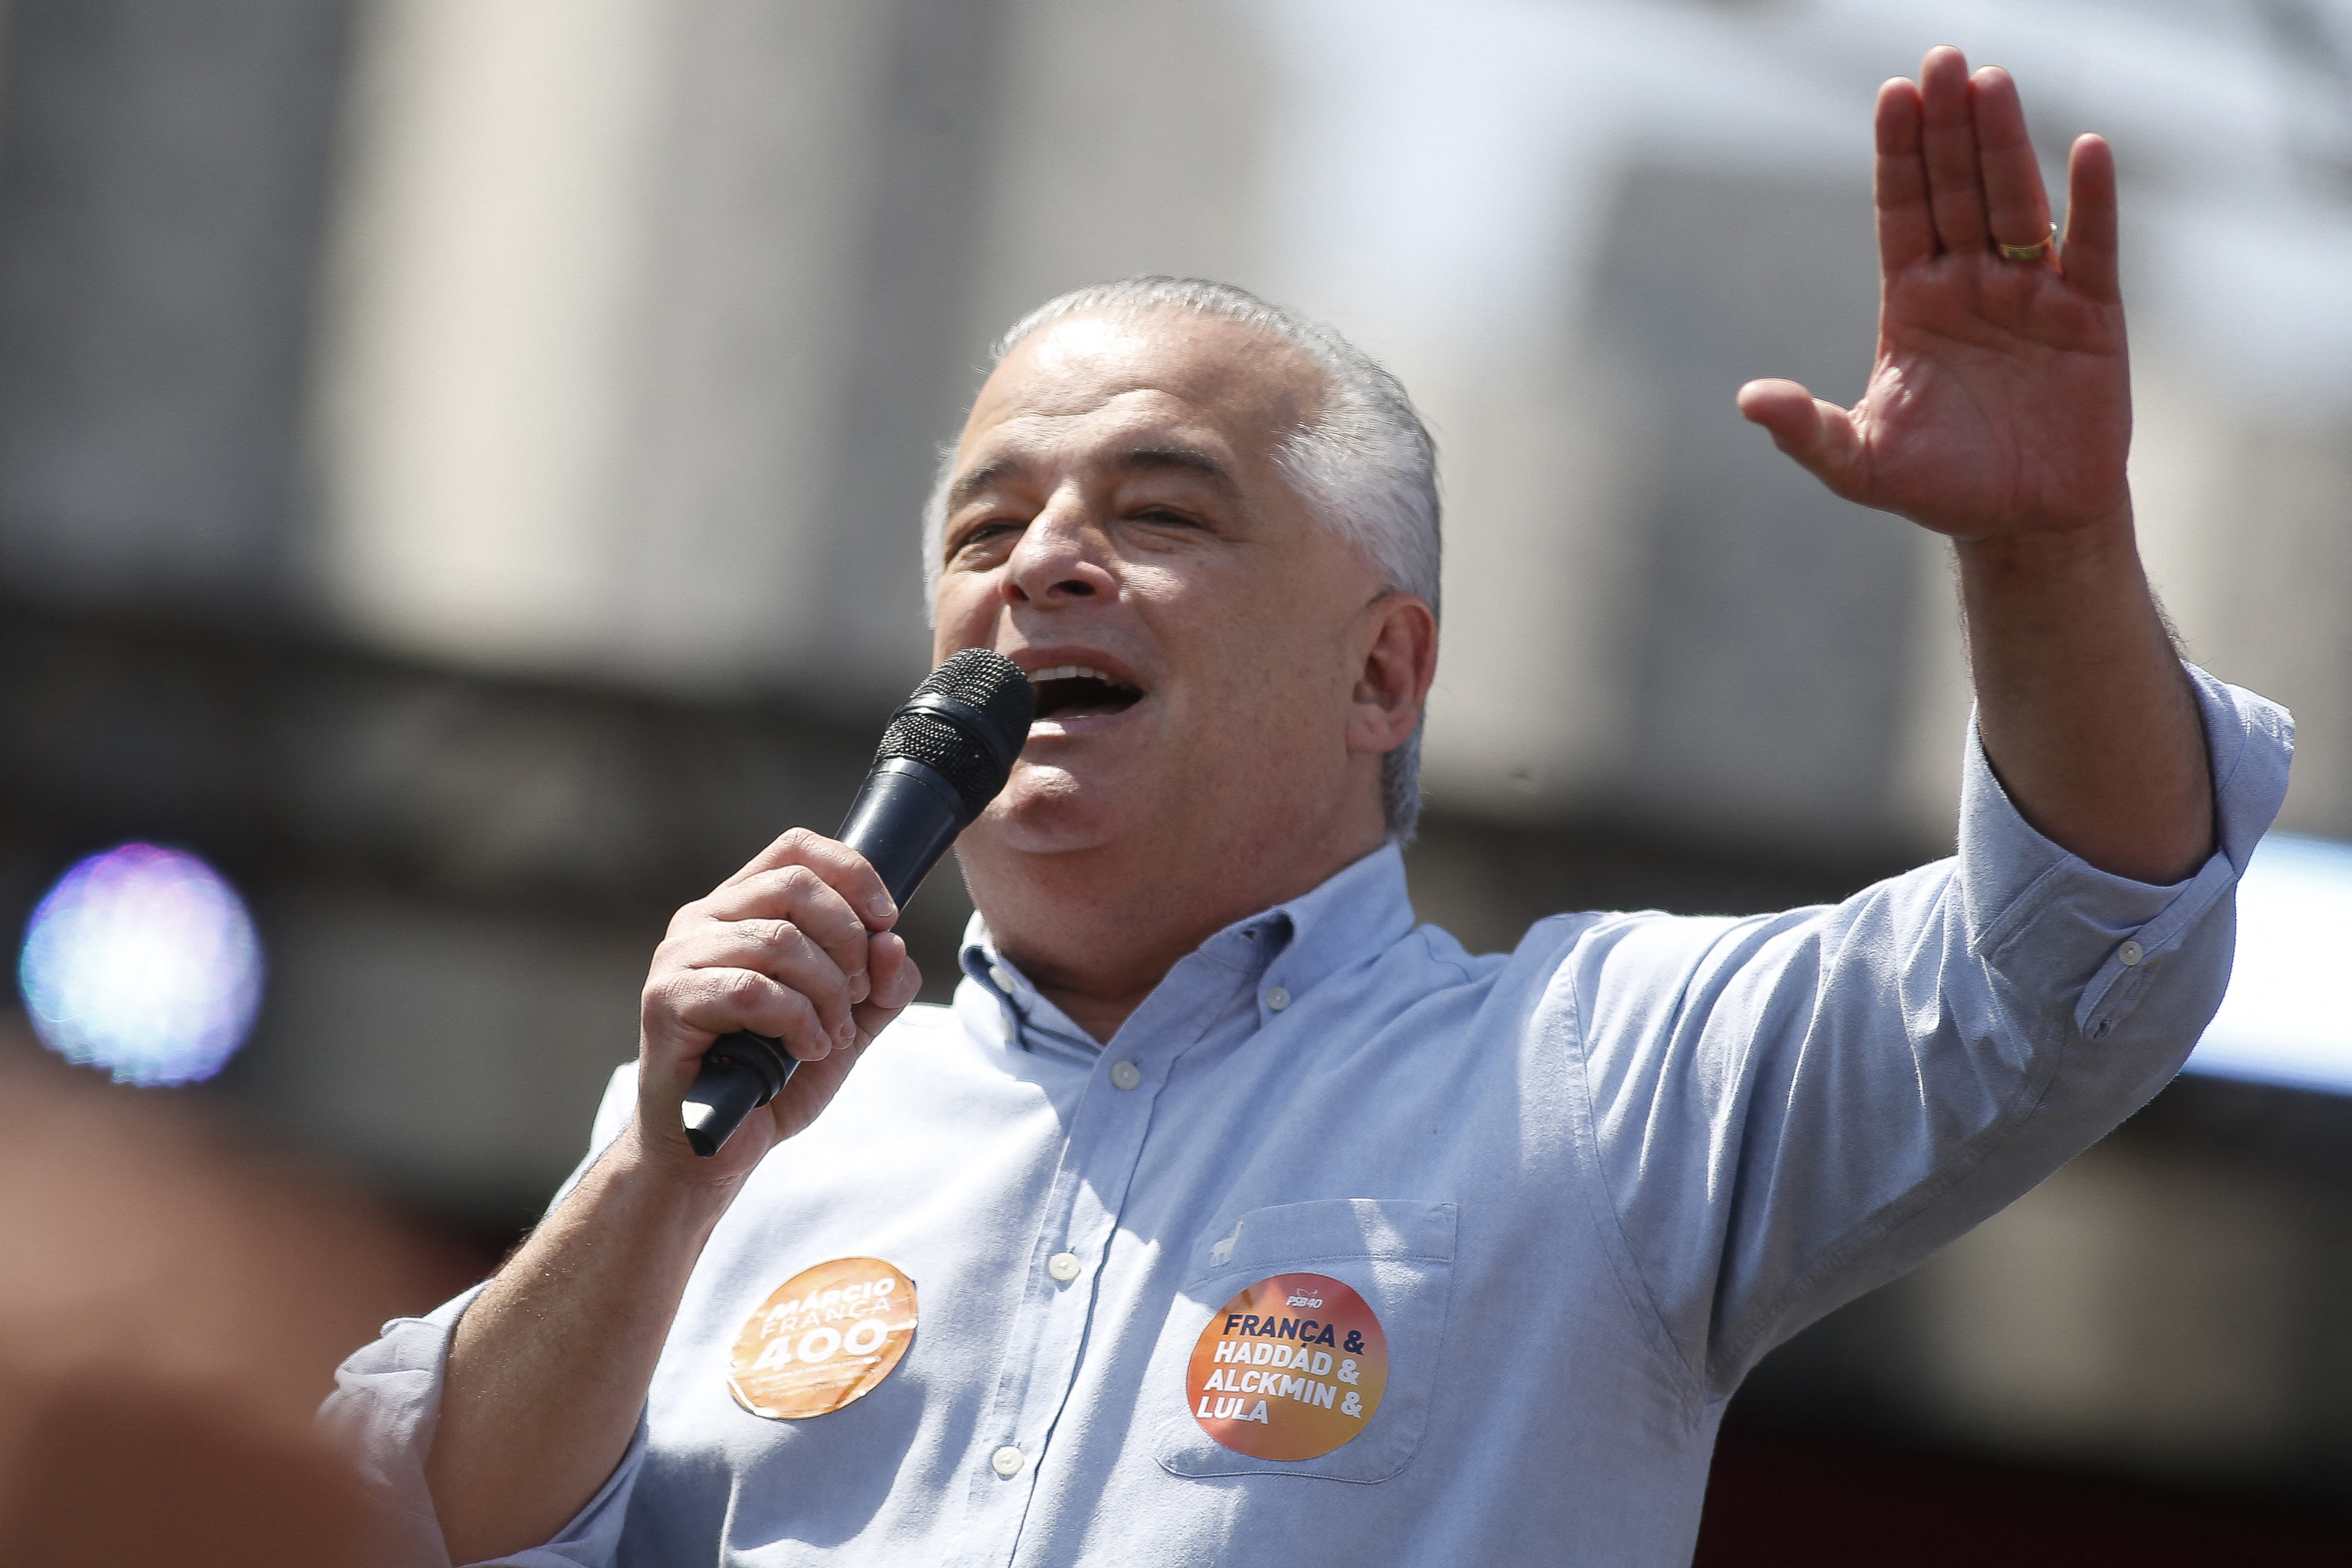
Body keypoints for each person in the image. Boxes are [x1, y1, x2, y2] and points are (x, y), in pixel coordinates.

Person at [325, 47, 2289, 1567]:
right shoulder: (740, 1127)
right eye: (987, 530)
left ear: (1384, 676)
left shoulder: (1601, 1082)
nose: (1044, 564)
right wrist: (657, 1182)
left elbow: (2076, 957)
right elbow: (407, 1524)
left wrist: (2049, 554)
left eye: (1159, 511)